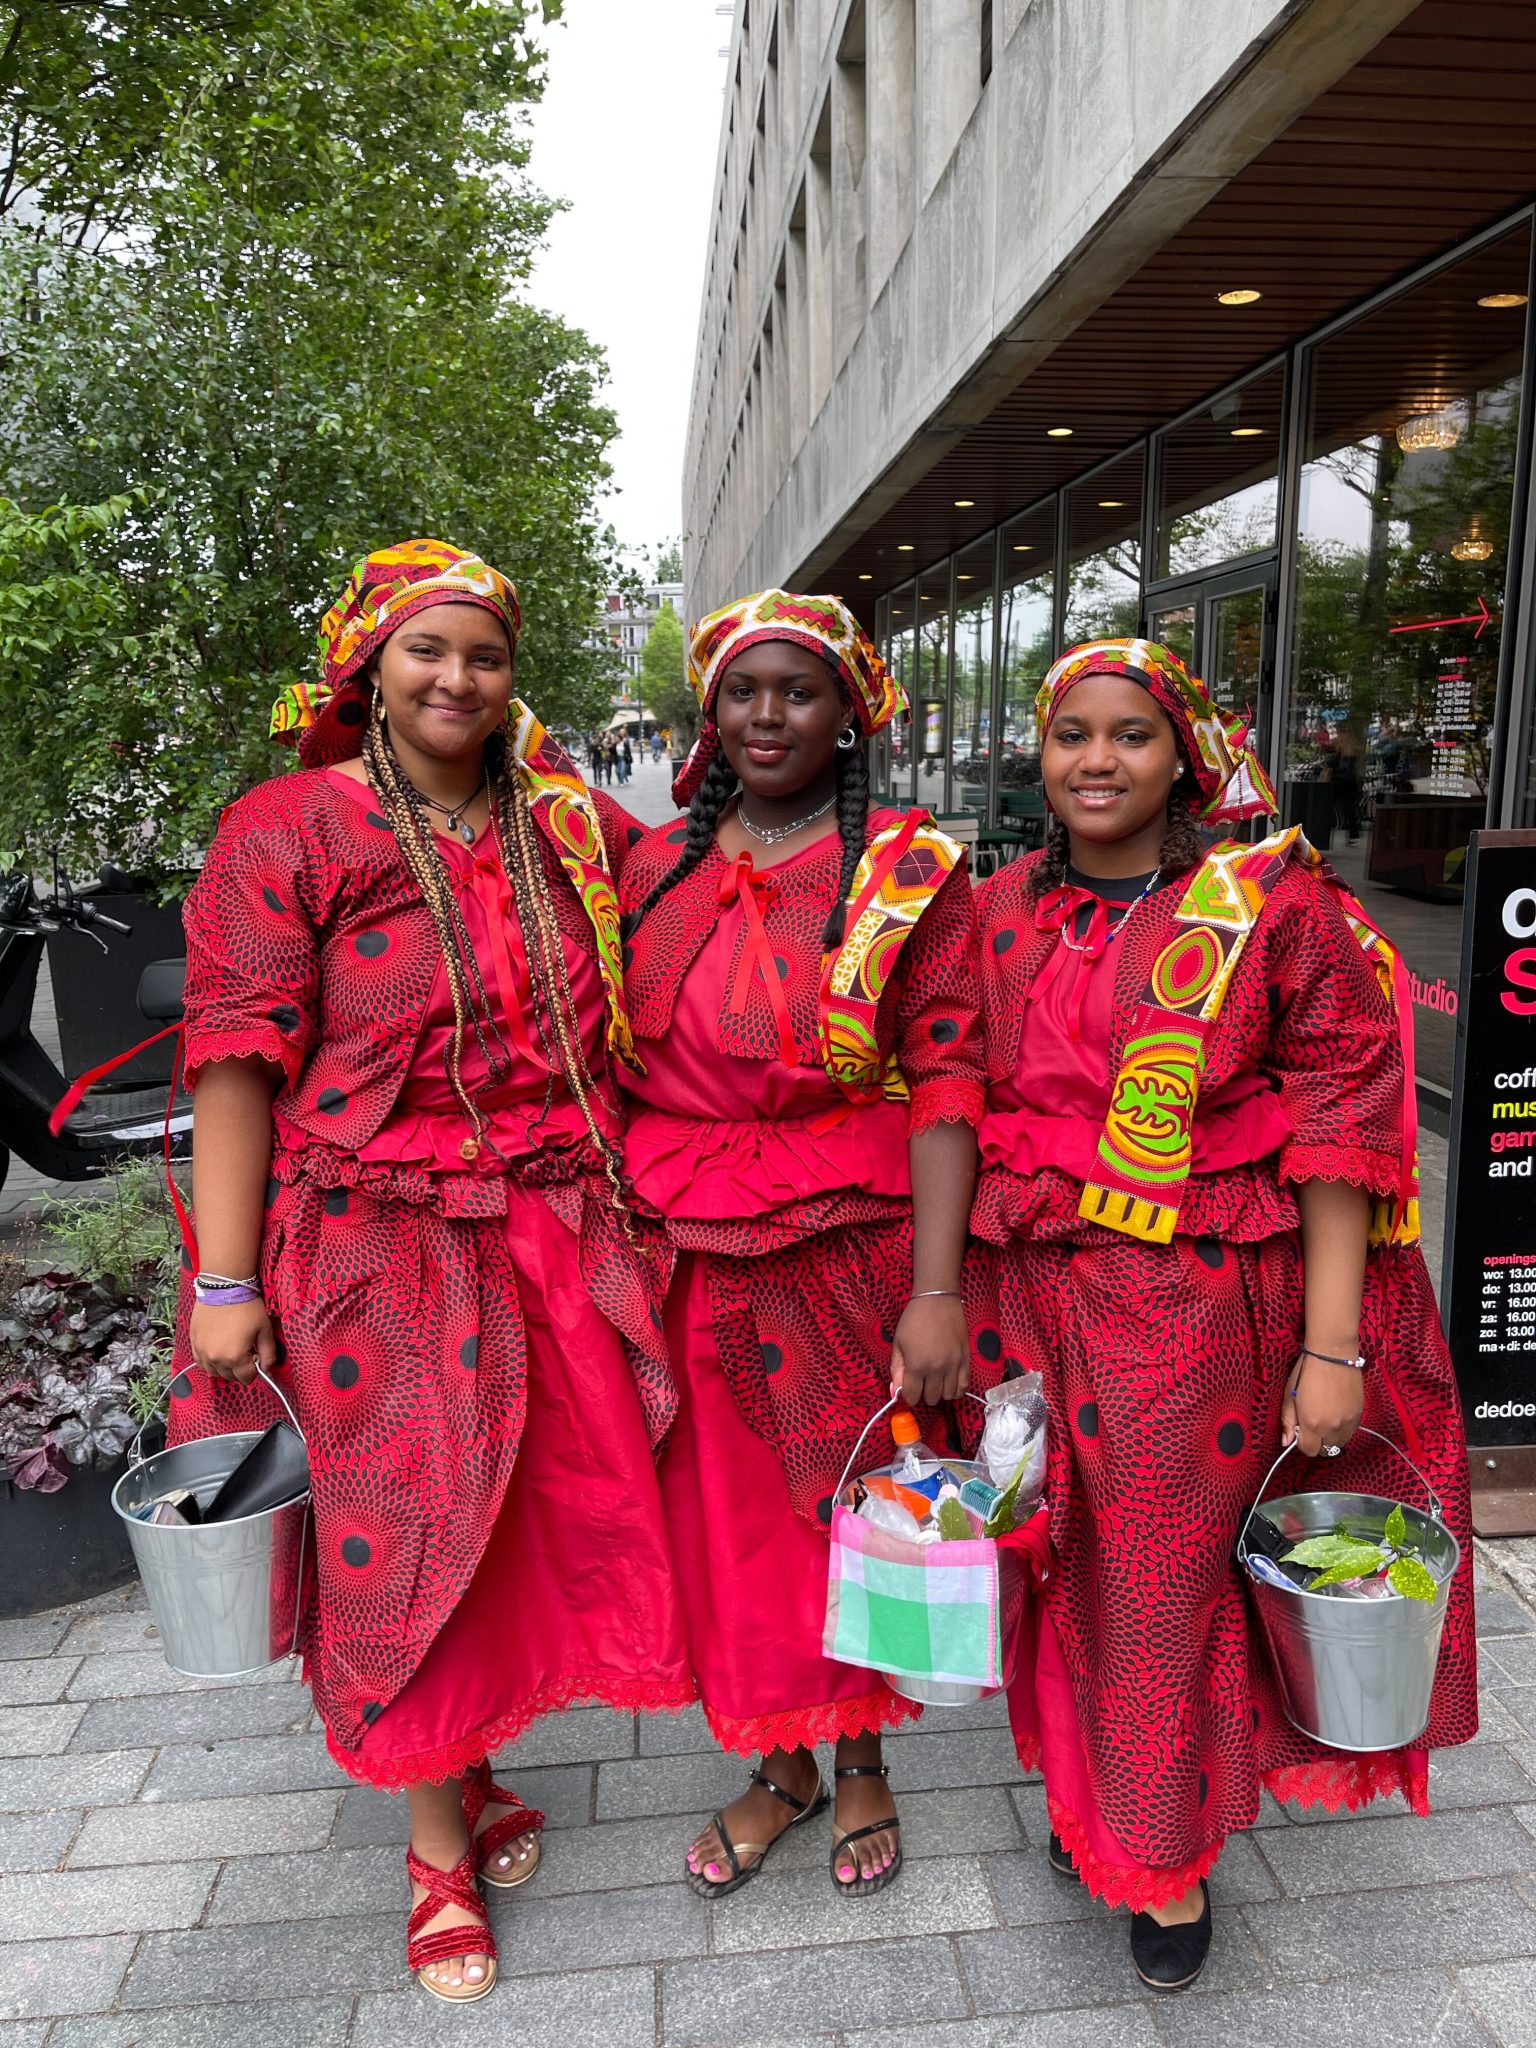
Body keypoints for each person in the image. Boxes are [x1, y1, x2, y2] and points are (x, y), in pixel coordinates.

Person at [171, 539, 688, 2004]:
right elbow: (233, 1064)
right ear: (369, 667)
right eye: (427, 651)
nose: (459, 678)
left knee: (514, 1526)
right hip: (376, 1250)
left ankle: (472, 1776)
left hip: (552, 1233)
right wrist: (223, 1278)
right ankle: (433, 1846)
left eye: (486, 654)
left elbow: (707, 920)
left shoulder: (569, 829)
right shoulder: (288, 831)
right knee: (408, 1537)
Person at [967, 637, 1475, 1992]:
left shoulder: (1273, 912)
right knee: (1050, 1566)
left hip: (1187, 1321)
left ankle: (1166, 1855)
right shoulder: (998, 905)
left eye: (1130, 734)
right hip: (1027, 1307)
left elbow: (1342, 1141)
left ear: (1187, 756)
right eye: (1072, 732)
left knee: (1158, 1595)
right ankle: (1099, 1805)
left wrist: (1331, 1351)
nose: (1096, 759)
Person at [618, 589, 988, 1900]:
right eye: (742, 691)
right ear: (708, 712)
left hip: (849, 1243)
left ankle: (865, 1755)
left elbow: (947, 1087)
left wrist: (936, 1293)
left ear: (851, 713)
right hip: (688, 1248)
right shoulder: (646, 864)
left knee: (854, 1512)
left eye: (801, 690)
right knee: (732, 1527)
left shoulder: (905, 871)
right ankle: (783, 1766)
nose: (769, 714)